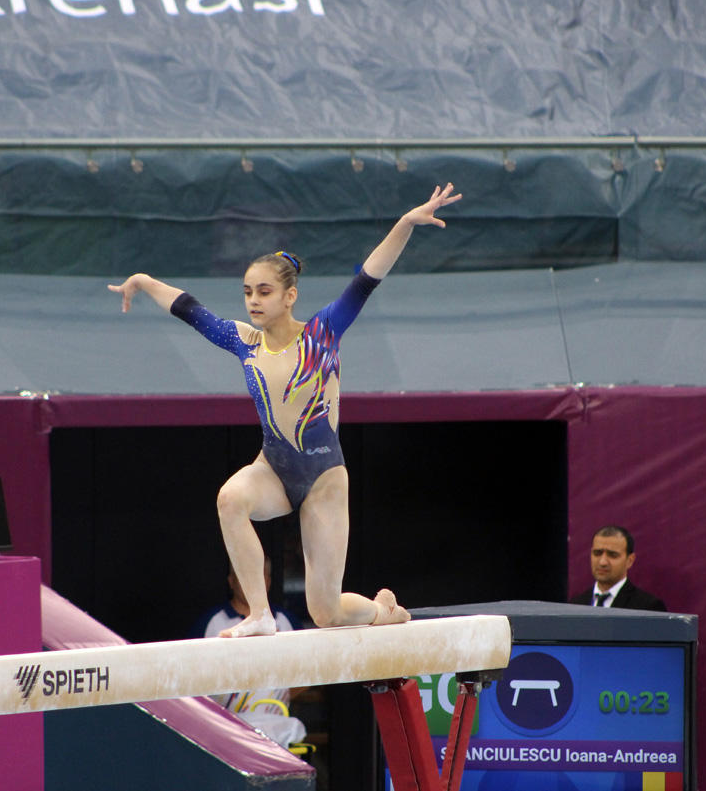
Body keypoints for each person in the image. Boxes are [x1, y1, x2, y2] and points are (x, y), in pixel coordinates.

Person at [109, 183, 462, 637]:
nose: (253, 300)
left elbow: (368, 278)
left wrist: (405, 223)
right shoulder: (244, 341)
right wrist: (142, 281)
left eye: (264, 291)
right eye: (247, 292)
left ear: (289, 296)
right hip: (273, 469)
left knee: (327, 612)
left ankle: (382, 612)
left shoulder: (322, 334)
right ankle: (259, 614)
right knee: (230, 500)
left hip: (324, 481)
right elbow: (190, 310)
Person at [191, 557, 307, 747]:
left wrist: (276, 693)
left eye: (258, 577)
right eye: (243, 576)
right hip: (223, 730)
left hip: (276, 729)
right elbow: (188, 678)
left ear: (268, 582)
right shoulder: (210, 623)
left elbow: (310, 673)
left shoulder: (287, 621)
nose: (251, 582)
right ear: (231, 581)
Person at [567, 526, 667, 611]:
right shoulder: (575, 605)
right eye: (597, 553)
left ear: (630, 560)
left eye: (612, 555)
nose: (603, 562)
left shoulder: (647, 607)